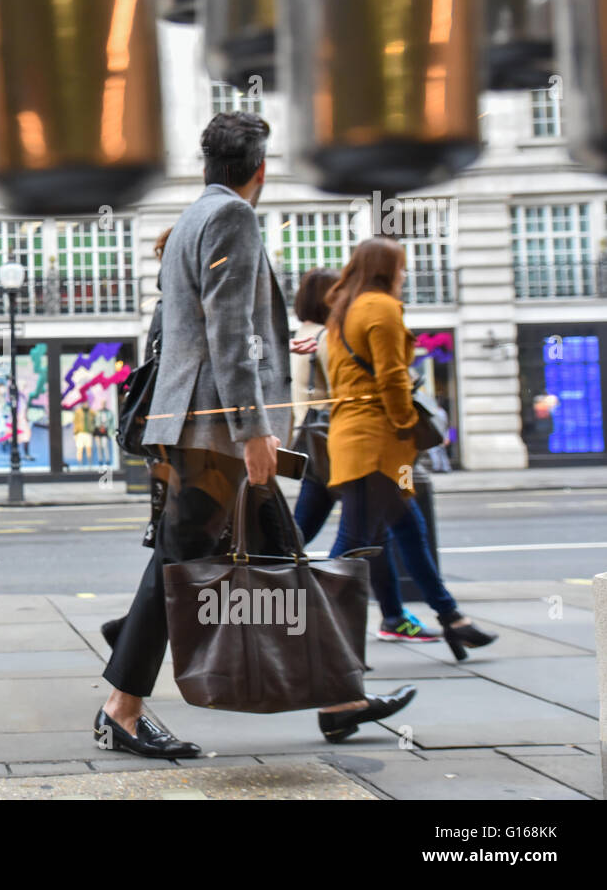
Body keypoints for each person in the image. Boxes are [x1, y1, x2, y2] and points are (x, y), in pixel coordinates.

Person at [95, 113, 416, 759]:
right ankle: (121, 705)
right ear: (259, 171)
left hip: (184, 423)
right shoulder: (235, 218)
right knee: (182, 564)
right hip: (213, 430)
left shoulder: (191, 216)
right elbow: (228, 332)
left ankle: (339, 696)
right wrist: (253, 428)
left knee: (274, 550)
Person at [323, 238, 497, 664]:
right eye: (401, 267)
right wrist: (407, 424)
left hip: (368, 443)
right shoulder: (380, 306)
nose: (405, 274)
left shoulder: (345, 309)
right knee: (352, 543)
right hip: (378, 445)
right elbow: (393, 378)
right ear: (387, 269)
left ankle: (452, 618)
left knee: (409, 528)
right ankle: (313, 634)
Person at [93, 402, 114, 468]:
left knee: (105, 445)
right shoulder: (98, 412)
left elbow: (111, 423)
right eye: (102, 404)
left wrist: (111, 431)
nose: (103, 405)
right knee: (99, 446)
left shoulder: (109, 413)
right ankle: (100, 460)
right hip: (98, 430)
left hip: (105, 431)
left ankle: (107, 460)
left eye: (104, 404)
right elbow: (95, 422)